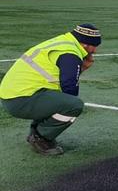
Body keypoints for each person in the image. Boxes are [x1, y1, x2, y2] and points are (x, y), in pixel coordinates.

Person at [0, 24, 101, 155]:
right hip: (20, 99)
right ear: (86, 44)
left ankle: (35, 133)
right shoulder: (70, 53)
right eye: (95, 46)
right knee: (73, 105)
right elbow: (70, 88)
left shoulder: (63, 42)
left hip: (13, 94)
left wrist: (81, 68)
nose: (95, 51)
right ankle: (41, 138)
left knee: (58, 98)